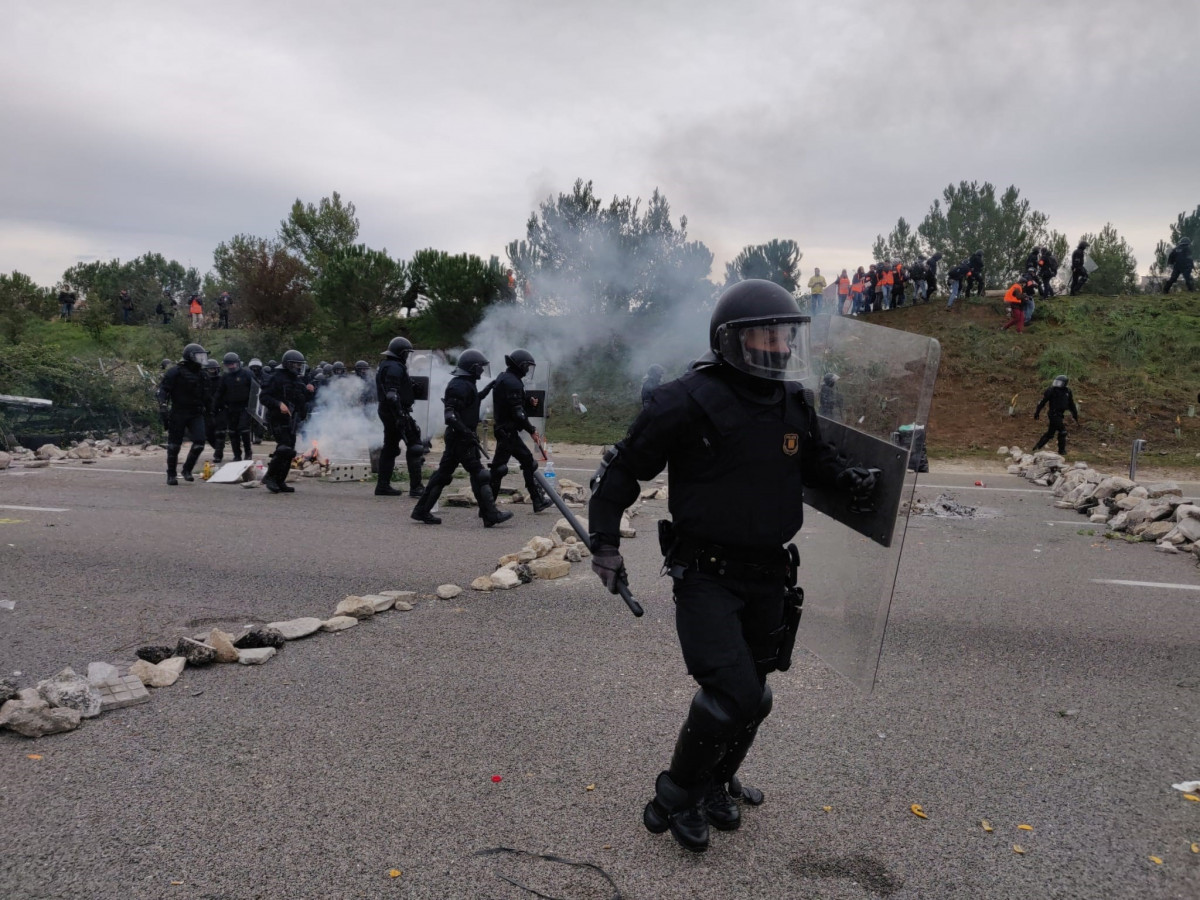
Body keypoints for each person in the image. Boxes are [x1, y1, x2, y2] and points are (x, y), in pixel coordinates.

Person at [587, 279, 878, 853]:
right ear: (731, 340)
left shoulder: (794, 399)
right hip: (706, 573)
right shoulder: (684, 399)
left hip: (770, 572)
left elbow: (815, 460)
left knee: (758, 695)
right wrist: (604, 543)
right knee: (732, 694)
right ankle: (677, 795)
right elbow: (621, 471)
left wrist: (848, 478)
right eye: (765, 334)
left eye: (785, 334)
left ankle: (717, 781)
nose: (777, 345)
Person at [411, 350, 513, 527]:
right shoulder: (459, 386)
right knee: (479, 474)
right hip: (461, 438)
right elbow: (450, 415)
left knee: (444, 474)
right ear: (472, 368)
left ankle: (421, 510)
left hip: (461, 437)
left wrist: (488, 389)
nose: (482, 371)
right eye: (480, 368)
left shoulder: (466, 383)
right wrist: (466, 432)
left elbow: (471, 402)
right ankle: (491, 514)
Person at [488, 349, 552, 513]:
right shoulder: (513, 382)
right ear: (521, 366)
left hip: (505, 430)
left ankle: (536, 500)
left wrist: (528, 401)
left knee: (509, 465)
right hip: (508, 432)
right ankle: (487, 508)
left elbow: (511, 405)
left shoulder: (505, 378)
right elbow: (518, 413)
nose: (528, 370)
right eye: (527, 367)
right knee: (508, 466)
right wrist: (531, 429)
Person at [374, 337, 429, 498]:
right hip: (395, 412)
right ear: (402, 353)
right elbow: (392, 395)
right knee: (415, 447)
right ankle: (416, 487)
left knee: (390, 448)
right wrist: (400, 415)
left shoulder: (385, 365)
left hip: (387, 411)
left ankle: (382, 486)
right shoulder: (395, 367)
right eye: (407, 353)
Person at [258, 349, 313, 493]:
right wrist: (278, 404)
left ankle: (280, 480)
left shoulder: (297, 379)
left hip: (292, 420)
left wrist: (309, 391)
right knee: (284, 448)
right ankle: (270, 477)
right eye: (296, 364)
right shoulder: (276, 378)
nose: (299, 368)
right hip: (277, 418)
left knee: (290, 451)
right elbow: (264, 397)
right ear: (289, 364)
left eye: (300, 365)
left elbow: (301, 399)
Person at [157, 343, 211, 485]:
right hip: (178, 412)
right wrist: (163, 406)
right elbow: (163, 390)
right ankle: (171, 474)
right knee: (174, 446)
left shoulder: (203, 375)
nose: (201, 359)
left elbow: (208, 396)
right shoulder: (175, 372)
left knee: (199, 443)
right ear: (190, 357)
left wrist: (212, 414)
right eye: (198, 356)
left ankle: (187, 469)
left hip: (196, 412)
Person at [215, 352, 254, 462]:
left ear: (237, 363)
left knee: (244, 430)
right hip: (231, 408)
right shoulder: (225, 377)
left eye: (232, 364)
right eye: (228, 365)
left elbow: (255, 390)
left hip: (245, 407)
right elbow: (220, 392)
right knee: (232, 432)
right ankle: (237, 455)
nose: (231, 367)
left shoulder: (247, 374)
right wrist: (214, 407)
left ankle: (248, 453)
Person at [1032, 375, 1080, 455]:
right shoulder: (1051, 390)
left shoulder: (1068, 391)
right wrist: (1037, 412)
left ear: (1064, 384)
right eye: (1056, 382)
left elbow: (1071, 404)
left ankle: (1036, 448)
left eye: (1059, 383)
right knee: (1063, 432)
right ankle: (1062, 451)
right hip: (1053, 414)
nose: (1057, 384)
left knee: (1050, 434)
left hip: (1060, 415)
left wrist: (1075, 415)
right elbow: (1042, 402)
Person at [203, 358, 226, 463]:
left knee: (220, 432)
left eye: (213, 369)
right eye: (209, 369)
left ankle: (218, 454)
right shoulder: (203, 381)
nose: (212, 371)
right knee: (208, 433)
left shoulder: (222, 379)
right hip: (207, 411)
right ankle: (218, 448)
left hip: (221, 409)